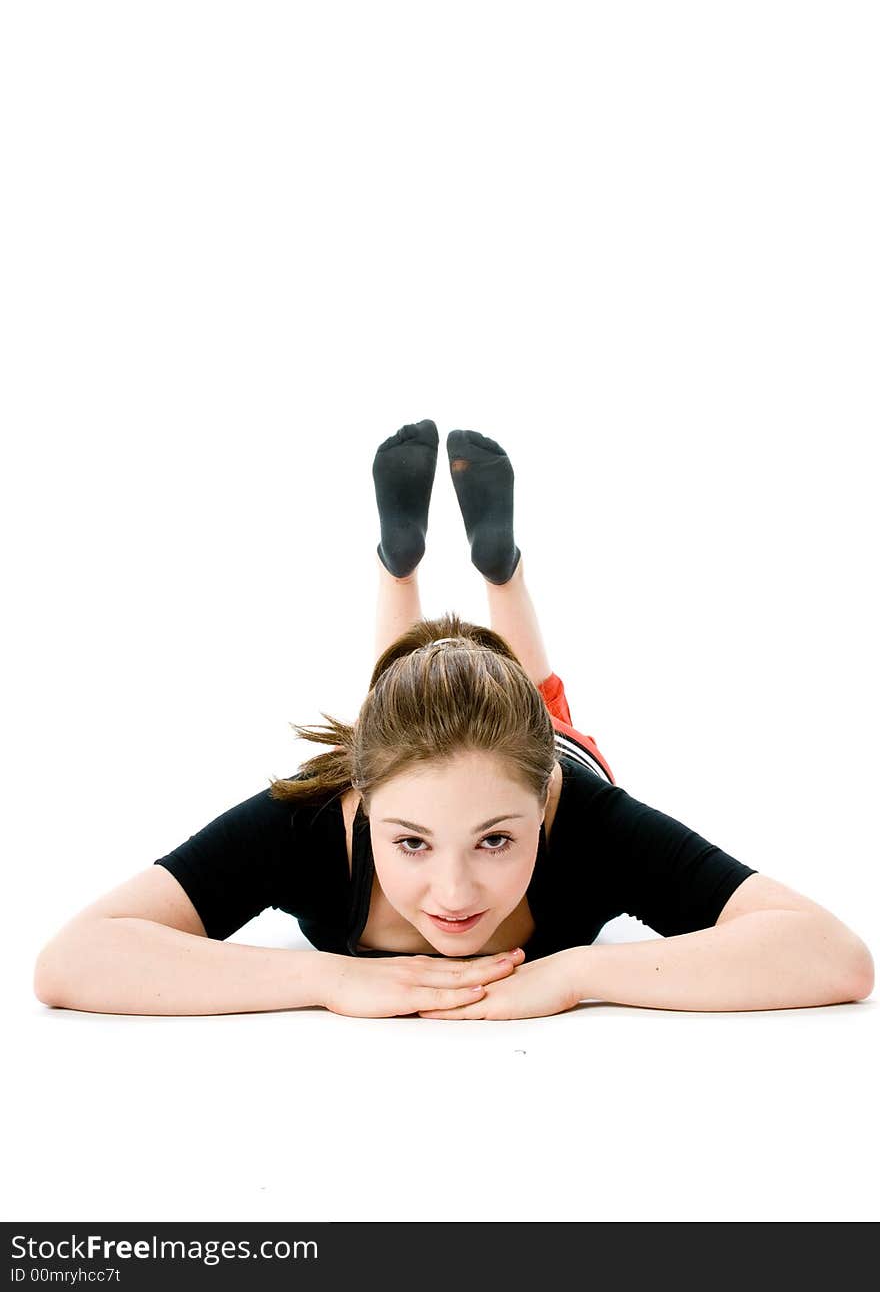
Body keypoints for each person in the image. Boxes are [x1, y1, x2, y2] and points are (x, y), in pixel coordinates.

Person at [33, 421, 874, 1020]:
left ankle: (490, 570)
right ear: (357, 806)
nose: (455, 892)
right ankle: (446, 563)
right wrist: (327, 981)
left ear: (545, 805)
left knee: (543, 709)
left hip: (544, 749)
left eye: (497, 840)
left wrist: (581, 975)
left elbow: (833, 955)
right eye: (409, 843)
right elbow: (71, 960)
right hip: (423, 754)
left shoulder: (588, 818)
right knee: (403, 711)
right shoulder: (314, 817)